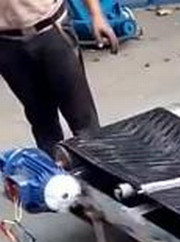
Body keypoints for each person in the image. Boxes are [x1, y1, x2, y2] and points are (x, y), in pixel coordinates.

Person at [0, 0, 119, 156]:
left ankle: (98, 165)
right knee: (42, 121)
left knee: (82, 119)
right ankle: (53, 167)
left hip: (53, 31)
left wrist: (96, 16)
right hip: (7, 44)